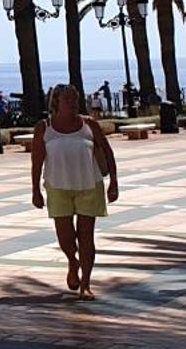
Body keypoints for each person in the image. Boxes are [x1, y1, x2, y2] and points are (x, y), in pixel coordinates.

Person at [30, 83, 119, 300]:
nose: (72, 102)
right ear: (56, 101)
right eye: (67, 99)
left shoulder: (89, 124)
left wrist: (114, 182)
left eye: (74, 98)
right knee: (66, 237)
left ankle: (86, 285)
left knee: (86, 236)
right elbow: (37, 161)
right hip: (57, 187)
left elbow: (107, 152)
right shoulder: (45, 127)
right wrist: (35, 190)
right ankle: (72, 261)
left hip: (90, 185)